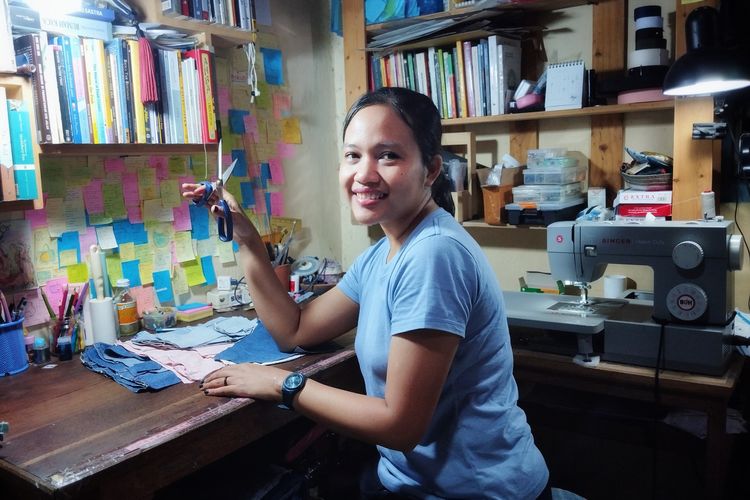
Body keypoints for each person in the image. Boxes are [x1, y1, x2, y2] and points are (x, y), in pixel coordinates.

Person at [183, 87, 549, 499]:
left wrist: (282, 384)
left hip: (477, 491)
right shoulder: (382, 254)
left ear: (431, 170)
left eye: (388, 155)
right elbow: (295, 329)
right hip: (410, 481)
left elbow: (400, 426)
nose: (364, 174)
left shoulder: (433, 254)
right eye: (353, 155)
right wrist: (247, 238)